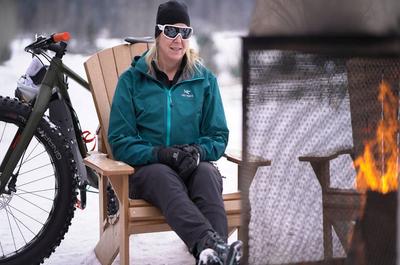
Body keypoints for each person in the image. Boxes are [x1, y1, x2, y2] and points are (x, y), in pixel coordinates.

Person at [107, 1, 243, 264]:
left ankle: (214, 255)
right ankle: (212, 244)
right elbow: (120, 140)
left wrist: (198, 152)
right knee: (162, 175)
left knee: (206, 173)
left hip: (192, 166)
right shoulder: (131, 80)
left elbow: (217, 135)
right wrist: (160, 154)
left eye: (185, 32)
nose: (178, 39)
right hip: (148, 171)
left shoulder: (204, 80)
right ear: (158, 34)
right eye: (171, 31)